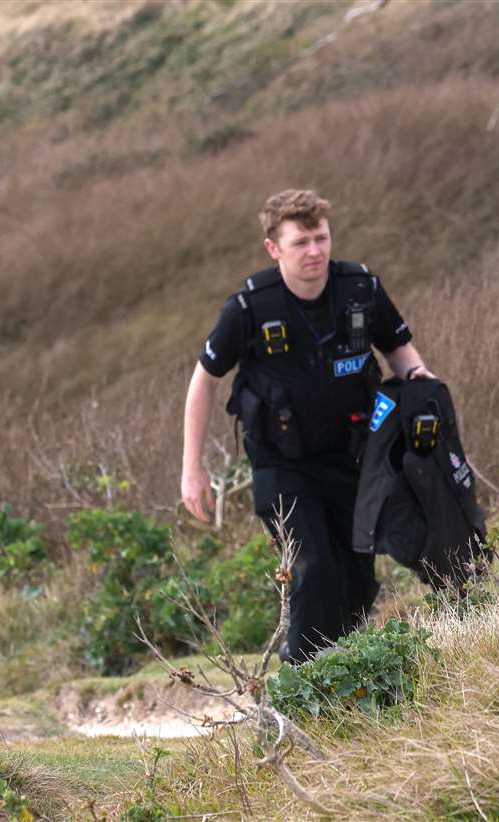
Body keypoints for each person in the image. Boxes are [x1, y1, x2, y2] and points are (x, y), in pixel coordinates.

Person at [180, 189, 434, 664]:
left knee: (358, 580)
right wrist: (191, 470)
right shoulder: (250, 307)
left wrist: (423, 386)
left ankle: (347, 682)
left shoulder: (360, 289)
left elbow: (399, 351)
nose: (315, 251)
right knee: (312, 568)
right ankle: (301, 683)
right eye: (300, 242)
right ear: (273, 248)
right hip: (283, 466)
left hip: (353, 458)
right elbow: (203, 381)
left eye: (321, 238)